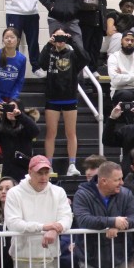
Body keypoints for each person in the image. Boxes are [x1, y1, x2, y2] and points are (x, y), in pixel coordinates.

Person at [38, 29, 88, 175]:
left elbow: (85, 59)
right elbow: (41, 63)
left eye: (62, 36)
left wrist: (72, 41)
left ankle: (72, 165)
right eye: (57, 36)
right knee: (51, 133)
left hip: (69, 97)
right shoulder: (49, 53)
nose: (59, 40)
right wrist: (48, 45)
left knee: (71, 133)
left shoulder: (72, 54)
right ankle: (49, 165)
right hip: (53, 98)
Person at [0, 100, 39, 181]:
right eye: (8, 108)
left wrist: (20, 116)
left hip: (24, 168)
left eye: (13, 108)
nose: (10, 111)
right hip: (8, 170)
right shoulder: (2, 128)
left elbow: (35, 131)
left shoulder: (25, 126)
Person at [107, 29, 134, 102]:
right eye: (127, 40)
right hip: (120, 90)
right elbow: (116, 80)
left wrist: (123, 79)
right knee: (127, 95)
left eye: (132, 40)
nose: (130, 42)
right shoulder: (114, 57)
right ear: (121, 41)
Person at [0, 27, 27, 104]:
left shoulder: (22, 59)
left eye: (12, 37)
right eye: (6, 37)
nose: (9, 40)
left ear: (18, 40)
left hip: (11, 98)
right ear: (3, 40)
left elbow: (19, 82)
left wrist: (13, 99)